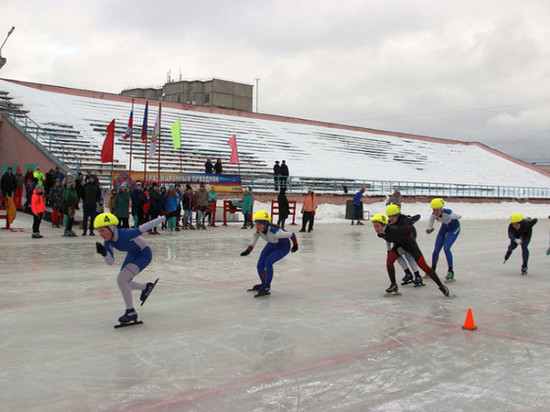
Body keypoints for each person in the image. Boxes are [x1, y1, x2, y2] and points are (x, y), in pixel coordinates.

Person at [93, 211, 177, 324]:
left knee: (121, 279)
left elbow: (146, 226)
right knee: (124, 281)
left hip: (144, 254)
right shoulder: (108, 243)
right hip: (132, 254)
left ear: (111, 228)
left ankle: (130, 311)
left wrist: (166, 217)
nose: (101, 234)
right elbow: (110, 262)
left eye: (103, 230)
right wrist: (104, 253)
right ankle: (146, 287)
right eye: (99, 231)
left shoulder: (125, 234)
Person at [370, 213, 451, 297]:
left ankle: (441, 286)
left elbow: (408, 229)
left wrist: (408, 228)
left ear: (383, 225)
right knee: (389, 260)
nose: (376, 229)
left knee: (424, 266)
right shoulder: (380, 233)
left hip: (410, 245)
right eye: (374, 226)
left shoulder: (393, 229)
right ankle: (393, 285)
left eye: (377, 226)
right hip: (400, 245)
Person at [240, 210, 299, 297]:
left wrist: (295, 245)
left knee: (268, 262)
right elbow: (254, 238)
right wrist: (248, 250)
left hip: (283, 247)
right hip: (271, 244)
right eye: (256, 224)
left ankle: (266, 287)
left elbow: (292, 234)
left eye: (259, 224)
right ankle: (264, 283)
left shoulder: (276, 232)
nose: (257, 227)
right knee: (260, 265)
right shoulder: (258, 231)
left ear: (266, 224)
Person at [386, 204, 423, 287]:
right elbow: (387, 239)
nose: (390, 219)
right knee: (395, 256)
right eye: (389, 216)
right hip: (399, 240)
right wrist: (388, 250)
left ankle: (418, 276)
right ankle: (408, 273)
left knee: (408, 255)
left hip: (409, 239)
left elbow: (417, 217)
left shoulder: (405, 220)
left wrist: (411, 219)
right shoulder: (389, 224)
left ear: (397, 215)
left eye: (392, 216)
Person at [425, 198, 461, 282]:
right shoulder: (433, 215)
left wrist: (453, 218)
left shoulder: (449, 214)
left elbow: (459, 216)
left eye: (437, 210)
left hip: (454, 228)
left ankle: (450, 271)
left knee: (446, 248)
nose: (435, 212)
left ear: (441, 209)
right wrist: (428, 229)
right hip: (444, 228)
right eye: (433, 210)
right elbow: (430, 225)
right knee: (436, 250)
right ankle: (432, 269)